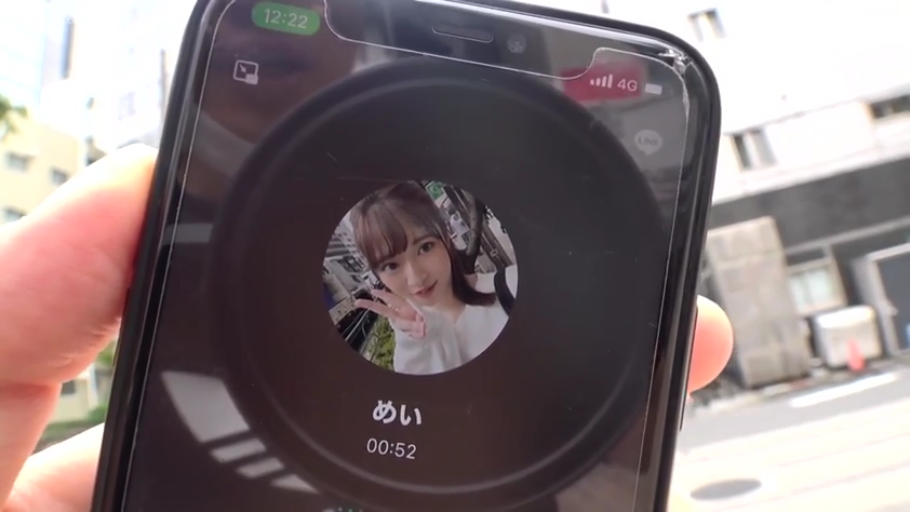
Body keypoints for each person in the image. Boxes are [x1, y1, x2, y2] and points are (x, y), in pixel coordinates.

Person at [0, 146, 733, 511]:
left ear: (446, 243)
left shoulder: (508, 297)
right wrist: (415, 337)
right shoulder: (405, 347)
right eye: (388, 264)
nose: (412, 273)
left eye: (423, 246)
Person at [349, 182, 519, 375]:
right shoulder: (410, 354)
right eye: (391, 266)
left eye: (425, 247)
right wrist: (419, 346)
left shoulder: (512, 287)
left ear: (445, 236)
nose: (416, 278)